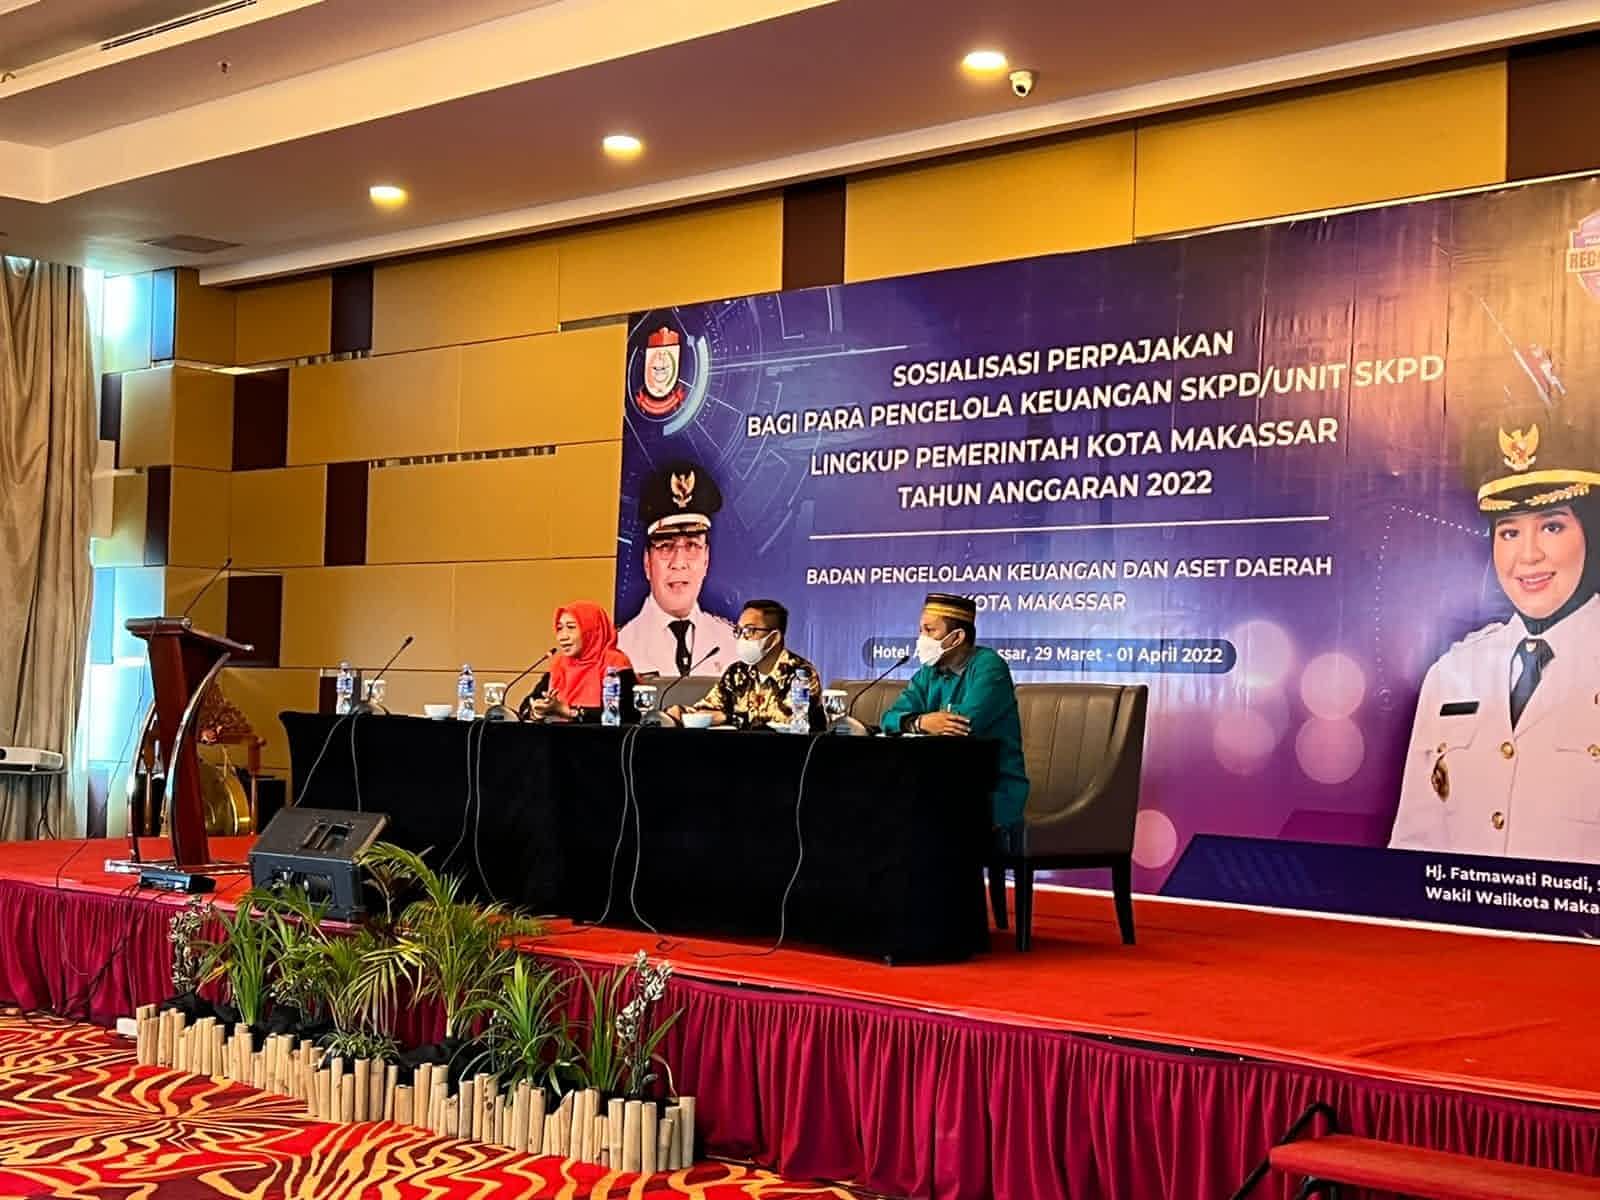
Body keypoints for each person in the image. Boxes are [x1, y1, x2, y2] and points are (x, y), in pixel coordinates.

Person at [1390, 416, 1600, 861]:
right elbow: (1413, 846)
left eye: (1552, 526)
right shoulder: (1453, 673)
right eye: (1509, 532)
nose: (1528, 555)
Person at [881, 593, 1029, 831]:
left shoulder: (989, 666)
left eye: (930, 630)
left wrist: (919, 722)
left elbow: (962, 725)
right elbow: (889, 718)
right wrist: (920, 723)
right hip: (939, 784)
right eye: (920, 631)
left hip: (990, 790)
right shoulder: (928, 672)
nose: (921, 639)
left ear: (957, 637)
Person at [616, 460, 738, 678]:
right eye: (665, 546)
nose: (679, 562)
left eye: (692, 546)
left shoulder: (731, 643)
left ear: (706, 559)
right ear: (647, 562)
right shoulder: (620, 645)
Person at [669, 599, 823, 729]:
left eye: (750, 631)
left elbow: (788, 724)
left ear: (773, 638)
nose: (742, 638)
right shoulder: (737, 672)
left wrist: (729, 718)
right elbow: (709, 709)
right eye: (739, 631)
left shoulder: (801, 674)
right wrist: (682, 713)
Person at [522, 601, 635, 724]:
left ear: (593, 630)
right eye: (559, 628)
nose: (562, 636)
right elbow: (526, 707)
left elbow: (624, 714)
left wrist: (568, 712)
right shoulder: (559, 664)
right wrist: (538, 712)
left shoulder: (614, 663)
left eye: (571, 627)